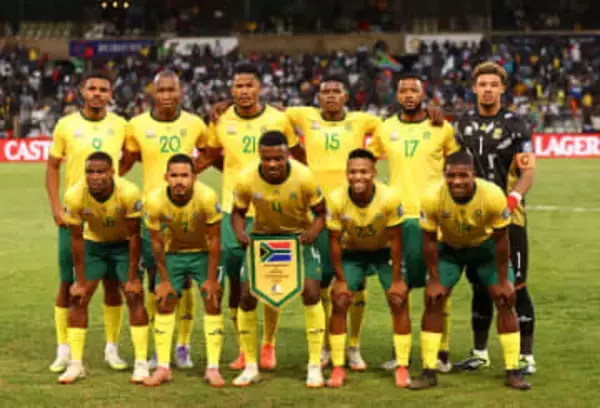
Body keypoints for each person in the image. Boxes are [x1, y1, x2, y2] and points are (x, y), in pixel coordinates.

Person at [197, 63, 304, 371]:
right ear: (232, 90)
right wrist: (184, 174)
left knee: (271, 281)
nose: (243, 91)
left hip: (272, 211)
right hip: (233, 213)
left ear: (260, 88)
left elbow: (297, 157)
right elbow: (210, 156)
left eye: (249, 85)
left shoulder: (278, 119)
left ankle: (268, 344)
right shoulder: (222, 120)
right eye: (238, 86)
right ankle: (245, 349)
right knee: (235, 282)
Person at [410, 151, 530, 390]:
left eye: (463, 175)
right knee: (434, 299)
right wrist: (434, 279)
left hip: (485, 250)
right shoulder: (432, 197)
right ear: (444, 175)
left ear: (473, 175)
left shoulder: (492, 195)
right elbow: (429, 241)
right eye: (451, 176)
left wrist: (503, 278)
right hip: (450, 250)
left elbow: (502, 240)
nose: (457, 181)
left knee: (505, 300)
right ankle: (428, 371)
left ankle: (513, 371)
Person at [368, 73, 459, 372]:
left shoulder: (441, 127)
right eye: (403, 90)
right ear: (397, 96)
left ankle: (442, 352)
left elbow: (458, 166)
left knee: (439, 288)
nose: (408, 95)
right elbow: (366, 163)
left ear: (423, 94)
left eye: (413, 90)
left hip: (435, 217)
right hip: (398, 218)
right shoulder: (385, 128)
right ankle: (401, 353)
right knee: (400, 288)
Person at [120, 70, 209, 369]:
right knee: (154, 280)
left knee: (186, 280)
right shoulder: (136, 125)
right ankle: (160, 346)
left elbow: (210, 152)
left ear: (180, 92)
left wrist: (191, 173)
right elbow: (128, 161)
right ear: (153, 93)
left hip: (188, 214)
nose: (167, 96)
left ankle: (183, 345)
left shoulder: (195, 124)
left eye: (172, 90)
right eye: (162, 91)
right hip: (153, 214)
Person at [453, 62, 537, 374]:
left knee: (516, 285)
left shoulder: (517, 124)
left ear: (502, 88)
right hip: (475, 218)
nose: (488, 89)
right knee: (479, 285)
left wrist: (512, 199)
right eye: (482, 84)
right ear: (474, 89)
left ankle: (526, 357)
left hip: (510, 218)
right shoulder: (463, 124)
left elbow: (528, 171)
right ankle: (479, 353)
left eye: (493, 84)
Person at [46, 72, 127, 374]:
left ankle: (112, 349)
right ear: (82, 91)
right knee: (67, 282)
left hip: (110, 216)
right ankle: (63, 350)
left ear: (110, 94)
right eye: (91, 88)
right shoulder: (66, 125)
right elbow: (52, 167)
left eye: (103, 89)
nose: (97, 93)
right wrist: (56, 206)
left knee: (112, 284)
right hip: (75, 216)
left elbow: (131, 155)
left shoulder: (121, 125)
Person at [230, 131, 326, 387]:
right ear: (259, 157)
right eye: (267, 159)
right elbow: (237, 212)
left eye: (278, 159)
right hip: (263, 240)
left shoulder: (304, 177)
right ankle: (251, 366)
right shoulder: (246, 178)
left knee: (311, 293)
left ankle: (314, 366)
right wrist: (239, 232)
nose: (272, 164)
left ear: (288, 156)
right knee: (247, 296)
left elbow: (322, 213)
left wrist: (312, 232)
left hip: (298, 239)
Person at [58, 152, 148, 384]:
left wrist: (132, 278)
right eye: (90, 172)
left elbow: (135, 236)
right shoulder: (74, 195)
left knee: (134, 296)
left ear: (112, 173)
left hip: (124, 245)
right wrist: (79, 281)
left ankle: (140, 364)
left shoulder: (128, 192)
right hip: (94, 246)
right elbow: (76, 239)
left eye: (101, 171)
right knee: (78, 298)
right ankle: (75, 365)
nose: (95, 176)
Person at [325, 148, 409, 388]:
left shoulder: (389, 198)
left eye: (363, 171)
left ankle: (402, 366)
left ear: (374, 173)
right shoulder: (336, 199)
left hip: (384, 252)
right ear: (346, 174)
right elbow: (334, 242)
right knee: (340, 300)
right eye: (352, 172)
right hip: (353, 252)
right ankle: (338, 366)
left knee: (398, 300)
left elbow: (396, 240)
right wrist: (340, 279)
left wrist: (397, 280)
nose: (358, 177)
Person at [142, 154, 225, 387]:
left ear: (194, 177)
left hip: (204, 253)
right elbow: (157, 243)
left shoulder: (207, 196)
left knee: (212, 300)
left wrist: (211, 279)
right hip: (174, 253)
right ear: (166, 177)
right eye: (174, 175)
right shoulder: (154, 200)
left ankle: (213, 368)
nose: (179, 181)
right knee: (164, 301)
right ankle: (163, 368)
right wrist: (164, 280)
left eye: (185, 175)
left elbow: (215, 239)